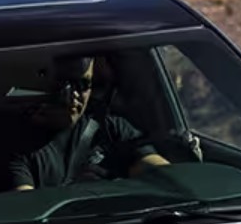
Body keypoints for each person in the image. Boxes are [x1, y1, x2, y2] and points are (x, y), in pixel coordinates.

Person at [10, 56, 171, 190]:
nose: (73, 95)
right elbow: (26, 207)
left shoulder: (112, 128)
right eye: (62, 84)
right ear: (42, 84)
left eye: (83, 85)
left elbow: (161, 173)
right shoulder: (18, 146)